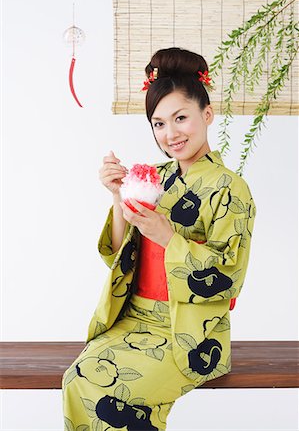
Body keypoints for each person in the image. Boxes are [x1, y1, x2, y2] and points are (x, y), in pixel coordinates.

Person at [62, 47, 257, 430]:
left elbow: (228, 276)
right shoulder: (153, 175)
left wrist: (169, 237)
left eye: (180, 118)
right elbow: (119, 254)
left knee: (108, 391)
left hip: (190, 332)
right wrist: (118, 196)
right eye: (159, 123)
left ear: (207, 114)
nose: (170, 134)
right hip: (133, 318)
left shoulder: (231, 189)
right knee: (75, 380)